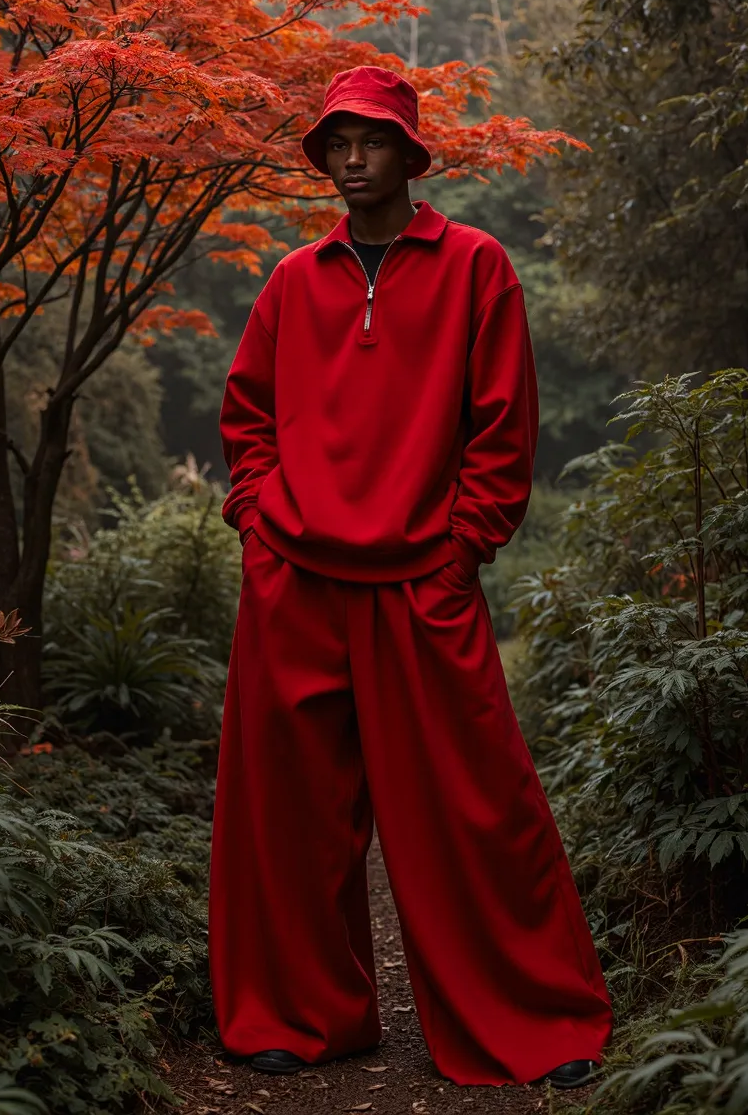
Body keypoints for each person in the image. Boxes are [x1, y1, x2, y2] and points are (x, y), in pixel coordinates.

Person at [209, 65, 613, 1089]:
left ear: (408, 153)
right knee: (288, 808)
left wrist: (461, 544)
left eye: (371, 140)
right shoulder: (292, 281)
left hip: (421, 576)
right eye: (335, 142)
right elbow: (246, 413)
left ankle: (535, 1015)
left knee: (474, 801)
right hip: (292, 575)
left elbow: (501, 427)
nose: (350, 158)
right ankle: (297, 1016)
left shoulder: (476, 266)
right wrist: (258, 517)